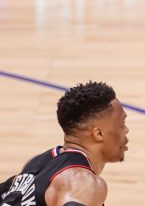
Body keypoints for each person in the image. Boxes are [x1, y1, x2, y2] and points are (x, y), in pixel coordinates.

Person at [0, 81, 129, 206]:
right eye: (122, 123)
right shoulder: (83, 182)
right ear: (98, 134)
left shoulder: (36, 162)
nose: (126, 130)